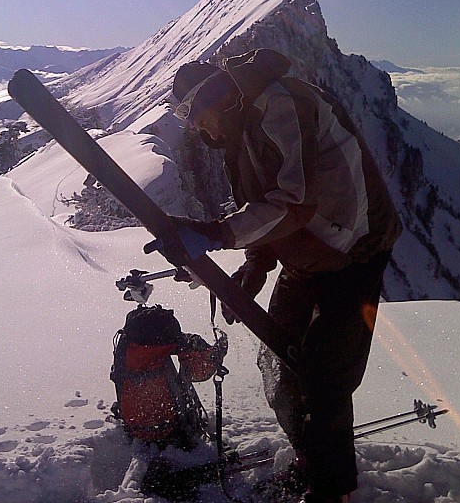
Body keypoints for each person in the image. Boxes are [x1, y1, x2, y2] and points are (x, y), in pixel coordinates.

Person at [160, 48, 402, 503]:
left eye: (190, 112)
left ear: (213, 96)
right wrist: (255, 264)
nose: (192, 125)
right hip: (309, 253)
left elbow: (294, 201)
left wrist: (216, 234)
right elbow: (265, 204)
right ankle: (312, 463)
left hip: (355, 251)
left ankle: (332, 492)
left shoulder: (279, 105)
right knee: (279, 359)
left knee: (325, 377)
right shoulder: (237, 129)